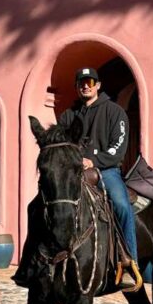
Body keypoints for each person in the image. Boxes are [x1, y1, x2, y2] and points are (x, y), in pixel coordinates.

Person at [13, 67, 139, 289]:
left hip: (105, 170)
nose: (85, 86)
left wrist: (94, 161)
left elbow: (118, 148)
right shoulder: (69, 115)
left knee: (120, 204)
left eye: (89, 82)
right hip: (73, 171)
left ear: (98, 86)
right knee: (35, 206)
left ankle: (127, 262)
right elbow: (61, 144)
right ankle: (29, 263)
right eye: (81, 83)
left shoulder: (115, 112)